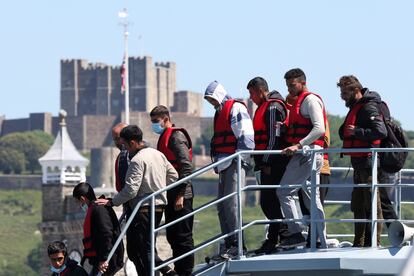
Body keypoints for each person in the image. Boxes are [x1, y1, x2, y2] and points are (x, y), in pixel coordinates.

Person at [96, 125, 178, 276]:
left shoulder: (137, 160)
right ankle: (165, 272)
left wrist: (112, 202)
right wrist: (158, 188)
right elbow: (173, 176)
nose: (124, 148)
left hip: (143, 209)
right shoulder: (157, 154)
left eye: (125, 145)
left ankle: (167, 273)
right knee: (138, 249)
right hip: (159, 206)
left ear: (132, 143)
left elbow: (131, 190)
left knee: (144, 249)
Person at [337, 75, 396, 247]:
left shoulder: (369, 107)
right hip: (359, 164)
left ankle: (373, 242)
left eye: (344, 92)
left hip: (369, 163)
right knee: (358, 204)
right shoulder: (356, 107)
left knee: (372, 202)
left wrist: (357, 132)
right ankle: (360, 241)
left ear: (355, 90)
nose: (342, 96)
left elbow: (381, 132)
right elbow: (344, 131)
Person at [276, 68, 327, 248]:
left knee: (283, 191)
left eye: (292, 85)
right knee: (312, 198)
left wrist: (298, 145)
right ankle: (320, 237)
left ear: (303, 82)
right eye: (287, 86)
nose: (289, 89)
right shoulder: (300, 102)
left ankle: (296, 232)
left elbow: (319, 128)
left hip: (308, 153)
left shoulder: (310, 100)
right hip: (310, 154)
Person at [204, 80, 255, 258]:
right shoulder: (220, 112)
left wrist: (241, 160)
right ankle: (228, 242)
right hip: (223, 163)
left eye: (212, 99)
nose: (211, 103)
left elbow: (247, 137)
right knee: (222, 206)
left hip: (234, 162)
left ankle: (237, 243)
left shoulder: (236, 108)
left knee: (232, 204)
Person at [150, 105, 194, 276]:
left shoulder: (175, 137)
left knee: (183, 236)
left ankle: (186, 272)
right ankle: (180, 269)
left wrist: (181, 194)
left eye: (156, 121)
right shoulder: (163, 138)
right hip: (170, 194)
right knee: (173, 236)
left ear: (166, 119)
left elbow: (186, 167)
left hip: (181, 195)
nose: (154, 125)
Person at [246, 77, 289, 254]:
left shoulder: (272, 107)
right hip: (267, 161)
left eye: (252, 93)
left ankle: (280, 237)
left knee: (268, 201)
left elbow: (273, 137)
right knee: (270, 202)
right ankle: (276, 238)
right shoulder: (265, 106)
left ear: (260, 90)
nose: (251, 98)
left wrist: (266, 161)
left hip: (273, 163)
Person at [72, 182, 124, 276]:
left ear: (83, 199)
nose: (78, 205)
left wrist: (103, 259)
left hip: (106, 260)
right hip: (97, 259)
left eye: (77, 202)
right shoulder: (94, 209)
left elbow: (106, 234)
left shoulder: (99, 210)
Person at [112, 122, 129, 193]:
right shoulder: (122, 155)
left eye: (118, 138)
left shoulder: (126, 155)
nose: (117, 142)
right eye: (114, 139)